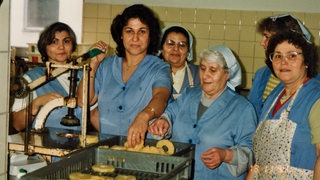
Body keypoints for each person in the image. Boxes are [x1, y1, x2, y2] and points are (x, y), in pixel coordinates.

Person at [148, 46, 257, 179]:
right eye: (203, 68)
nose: (205, 75)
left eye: (213, 70)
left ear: (227, 74)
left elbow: (251, 153)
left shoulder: (242, 108)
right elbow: (170, 113)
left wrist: (225, 155)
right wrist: (163, 122)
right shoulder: (189, 95)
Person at [76, 4, 172, 147]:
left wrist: (143, 116)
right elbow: (83, 102)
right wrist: (93, 65)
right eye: (129, 31)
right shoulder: (106, 65)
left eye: (142, 31)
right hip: (107, 148)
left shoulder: (159, 67)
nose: (135, 38)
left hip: (142, 149)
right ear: (121, 35)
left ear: (150, 36)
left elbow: (161, 97)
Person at [248, 30, 320, 179]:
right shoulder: (273, 98)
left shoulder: (315, 96)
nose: (283, 62)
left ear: (306, 60)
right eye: (278, 56)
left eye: (292, 55)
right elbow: (261, 160)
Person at [11, 22, 82, 131]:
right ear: (44, 46)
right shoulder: (32, 78)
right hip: (44, 143)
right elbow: (17, 124)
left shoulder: (83, 76)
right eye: (54, 42)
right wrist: (36, 103)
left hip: (78, 143)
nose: (61, 47)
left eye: (66, 41)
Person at [247, 14, 312, 116]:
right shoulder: (262, 73)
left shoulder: (311, 83)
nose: (262, 42)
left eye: (267, 37)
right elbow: (251, 110)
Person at [158, 25, 200, 100]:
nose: (176, 49)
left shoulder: (200, 74)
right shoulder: (151, 73)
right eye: (170, 43)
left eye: (182, 45)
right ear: (161, 48)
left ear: (188, 51)